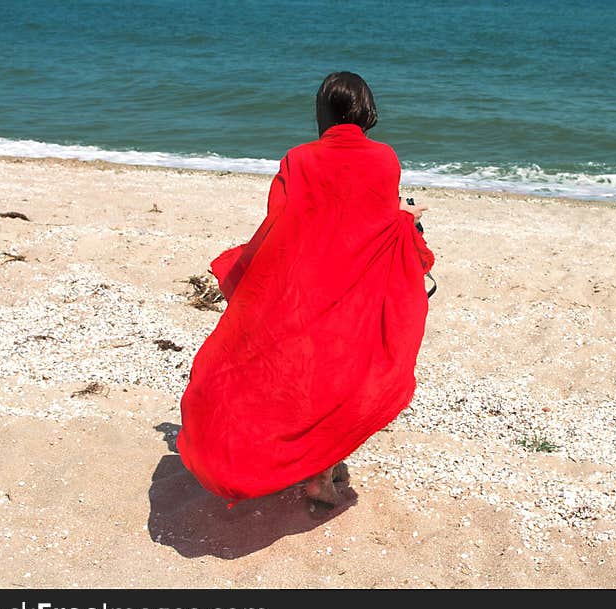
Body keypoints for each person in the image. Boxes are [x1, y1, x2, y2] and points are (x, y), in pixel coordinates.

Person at [177, 72, 435, 508]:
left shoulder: (298, 159)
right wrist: (406, 216)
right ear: (365, 109)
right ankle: (321, 475)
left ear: (323, 111)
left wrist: (250, 269)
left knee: (298, 374)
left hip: (303, 286)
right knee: (344, 377)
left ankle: (297, 465)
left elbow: (283, 222)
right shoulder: (385, 159)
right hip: (355, 289)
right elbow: (371, 220)